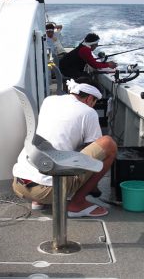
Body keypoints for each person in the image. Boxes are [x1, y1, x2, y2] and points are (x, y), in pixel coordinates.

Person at [12, 76, 118, 217]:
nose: (93, 106)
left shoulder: (49, 100)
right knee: (108, 144)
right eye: (94, 102)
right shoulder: (89, 113)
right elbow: (94, 154)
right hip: (47, 191)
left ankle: (38, 201)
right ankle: (77, 203)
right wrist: (93, 187)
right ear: (89, 99)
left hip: (19, 183)